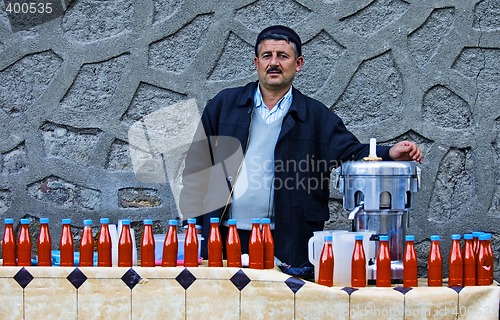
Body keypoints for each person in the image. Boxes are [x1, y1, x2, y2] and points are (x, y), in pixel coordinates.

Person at [179, 25, 423, 271]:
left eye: (283, 56)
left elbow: (350, 150)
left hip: (287, 238)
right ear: (256, 63)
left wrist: (387, 153)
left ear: (298, 64)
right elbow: (197, 164)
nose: (274, 63)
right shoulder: (224, 105)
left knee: (283, 306)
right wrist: (193, 225)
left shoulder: (315, 116)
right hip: (224, 234)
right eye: (267, 56)